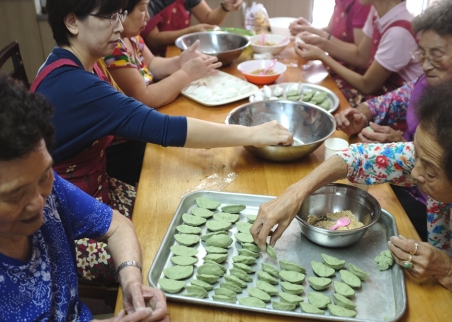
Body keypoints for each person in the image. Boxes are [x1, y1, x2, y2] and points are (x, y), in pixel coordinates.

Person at [37, 0, 292, 284]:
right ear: (72, 22)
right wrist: (252, 134)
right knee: (175, 251)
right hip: (67, 225)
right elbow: (164, 128)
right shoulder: (77, 86)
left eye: (119, 14)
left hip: (97, 194)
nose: (120, 26)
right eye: (109, 16)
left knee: (183, 213)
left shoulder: (75, 62)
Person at [251, 78, 452, 320]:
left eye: (430, 171)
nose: (414, 172)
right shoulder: (441, 154)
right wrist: (295, 193)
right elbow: (360, 157)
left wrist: (450, 273)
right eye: (417, 155)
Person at [0, 74, 169, 321]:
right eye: (15, 194)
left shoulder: (50, 187)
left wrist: (131, 280)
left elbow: (116, 226)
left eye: (44, 175)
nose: (39, 202)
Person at [335, 0, 452, 241]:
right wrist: (361, 114)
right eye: (422, 53)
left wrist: (402, 142)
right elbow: (394, 100)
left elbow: (450, 171)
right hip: (409, 180)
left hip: (438, 208)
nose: (425, 65)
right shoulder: (428, 81)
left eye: (437, 56)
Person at [294, 0, 422, 107]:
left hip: (398, 108)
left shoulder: (398, 32)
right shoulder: (377, 12)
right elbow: (361, 57)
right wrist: (322, 43)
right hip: (381, 95)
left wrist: (322, 56)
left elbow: (366, 86)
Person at [103, 0, 220, 108]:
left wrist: (179, 62)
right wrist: (187, 74)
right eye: (142, 10)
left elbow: (152, 63)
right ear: (120, 12)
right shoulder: (112, 50)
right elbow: (144, 98)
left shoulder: (132, 37)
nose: (148, 17)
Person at [141, 0, 243, 56]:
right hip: (155, 57)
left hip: (182, 52)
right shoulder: (149, 2)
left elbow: (208, 18)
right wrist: (191, 31)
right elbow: (153, 39)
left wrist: (225, 7)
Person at [290, 0, 371, 47]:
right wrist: (308, 29)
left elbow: (359, 56)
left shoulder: (362, 3)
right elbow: (331, 30)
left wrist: (322, 52)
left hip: (349, 71)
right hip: (333, 64)